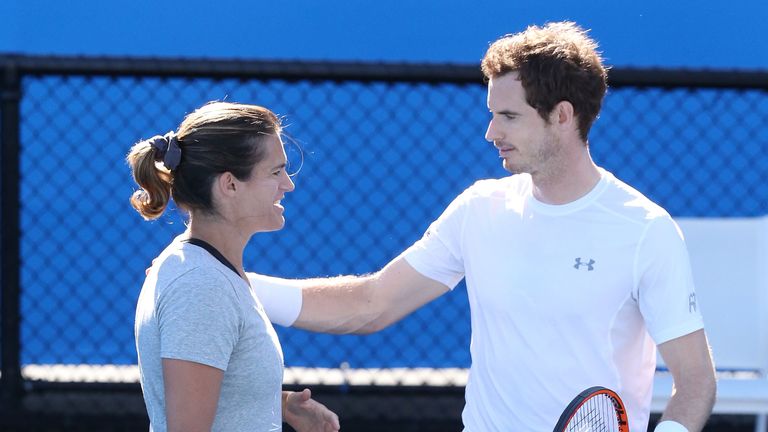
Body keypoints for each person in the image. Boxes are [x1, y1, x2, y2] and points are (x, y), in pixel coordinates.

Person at [247, 22, 716, 432]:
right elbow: (371, 304)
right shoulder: (479, 208)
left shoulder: (645, 230)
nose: (491, 132)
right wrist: (234, 283)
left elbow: (695, 382)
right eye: (492, 113)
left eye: (509, 116)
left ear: (563, 116)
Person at [127, 101, 340, 432]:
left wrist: (275, 403)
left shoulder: (208, 274)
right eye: (275, 172)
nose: (288, 185)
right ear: (229, 185)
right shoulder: (201, 287)